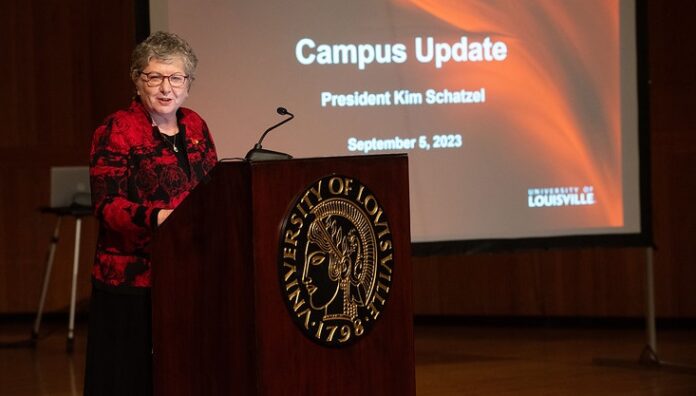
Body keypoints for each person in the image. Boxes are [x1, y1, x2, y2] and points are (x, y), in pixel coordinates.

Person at [84, 31, 217, 395]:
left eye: (176, 78)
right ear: (136, 79)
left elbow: (213, 189)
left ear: (188, 84)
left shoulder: (196, 126)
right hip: (131, 282)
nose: (165, 88)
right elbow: (107, 206)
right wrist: (160, 218)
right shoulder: (116, 130)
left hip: (188, 277)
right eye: (154, 76)